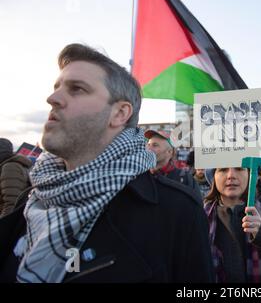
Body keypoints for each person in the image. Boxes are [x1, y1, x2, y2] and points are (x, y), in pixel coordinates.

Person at [0, 43, 214, 283]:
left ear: (120, 113)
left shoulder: (176, 212)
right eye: (57, 87)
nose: (52, 98)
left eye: (77, 89)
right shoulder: (31, 200)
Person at [145, 129, 202, 201]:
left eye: (155, 145)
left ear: (169, 152)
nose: (148, 149)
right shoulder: (139, 175)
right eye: (148, 144)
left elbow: (196, 207)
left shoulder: (185, 179)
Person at [0, 138, 32, 218]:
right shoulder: (8, 165)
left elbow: (12, 203)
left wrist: (3, 225)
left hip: (8, 221)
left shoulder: (10, 167)